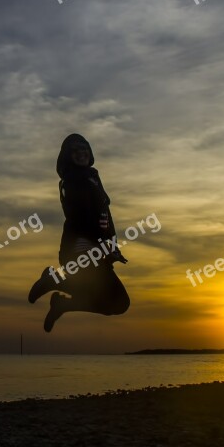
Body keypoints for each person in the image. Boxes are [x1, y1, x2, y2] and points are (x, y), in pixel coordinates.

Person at [28, 133, 130, 332]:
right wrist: (103, 246)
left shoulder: (92, 177)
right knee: (117, 302)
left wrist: (113, 247)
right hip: (82, 251)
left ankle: (62, 303)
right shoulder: (72, 181)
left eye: (85, 149)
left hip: (99, 251)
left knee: (119, 304)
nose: (82, 153)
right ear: (67, 156)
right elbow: (82, 218)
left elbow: (104, 214)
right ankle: (52, 282)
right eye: (76, 150)